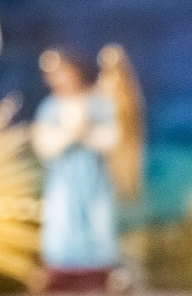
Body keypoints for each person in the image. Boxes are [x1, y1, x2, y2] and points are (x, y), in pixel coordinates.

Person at [33, 49, 121, 272]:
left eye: (62, 71)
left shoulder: (98, 103)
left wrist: (86, 131)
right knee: (62, 225)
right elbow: (44, 145)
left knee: (97, 223)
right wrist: (70, 134)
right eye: (52, 74)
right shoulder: (50, 108)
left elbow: (113, 138)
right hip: (65, 183)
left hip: (93, 180)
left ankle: (99, 267)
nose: (58, 78)